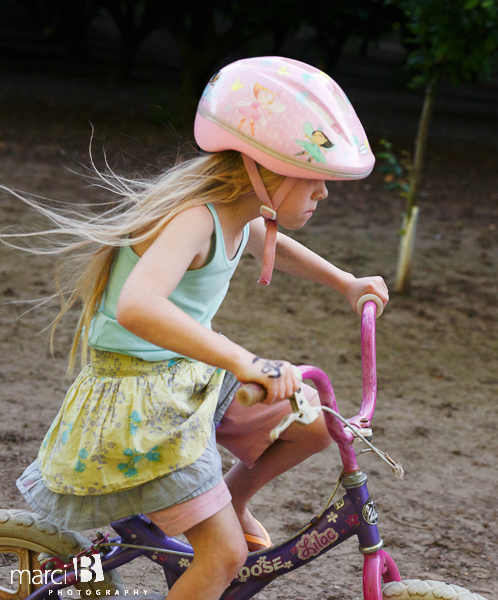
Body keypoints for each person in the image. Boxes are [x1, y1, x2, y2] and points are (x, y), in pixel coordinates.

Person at [5, 57, 389, 600]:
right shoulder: (194, 217)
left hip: (182, 379)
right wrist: (242, 360)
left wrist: (347, 283)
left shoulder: (242, 212)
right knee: (224, 556)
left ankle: (230, 501)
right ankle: (213, 538)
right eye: (314, 179)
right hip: (137, 398)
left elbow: (272, 244)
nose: (324, 193)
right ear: (263, 169)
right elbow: (138, 306)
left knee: (312, 420)